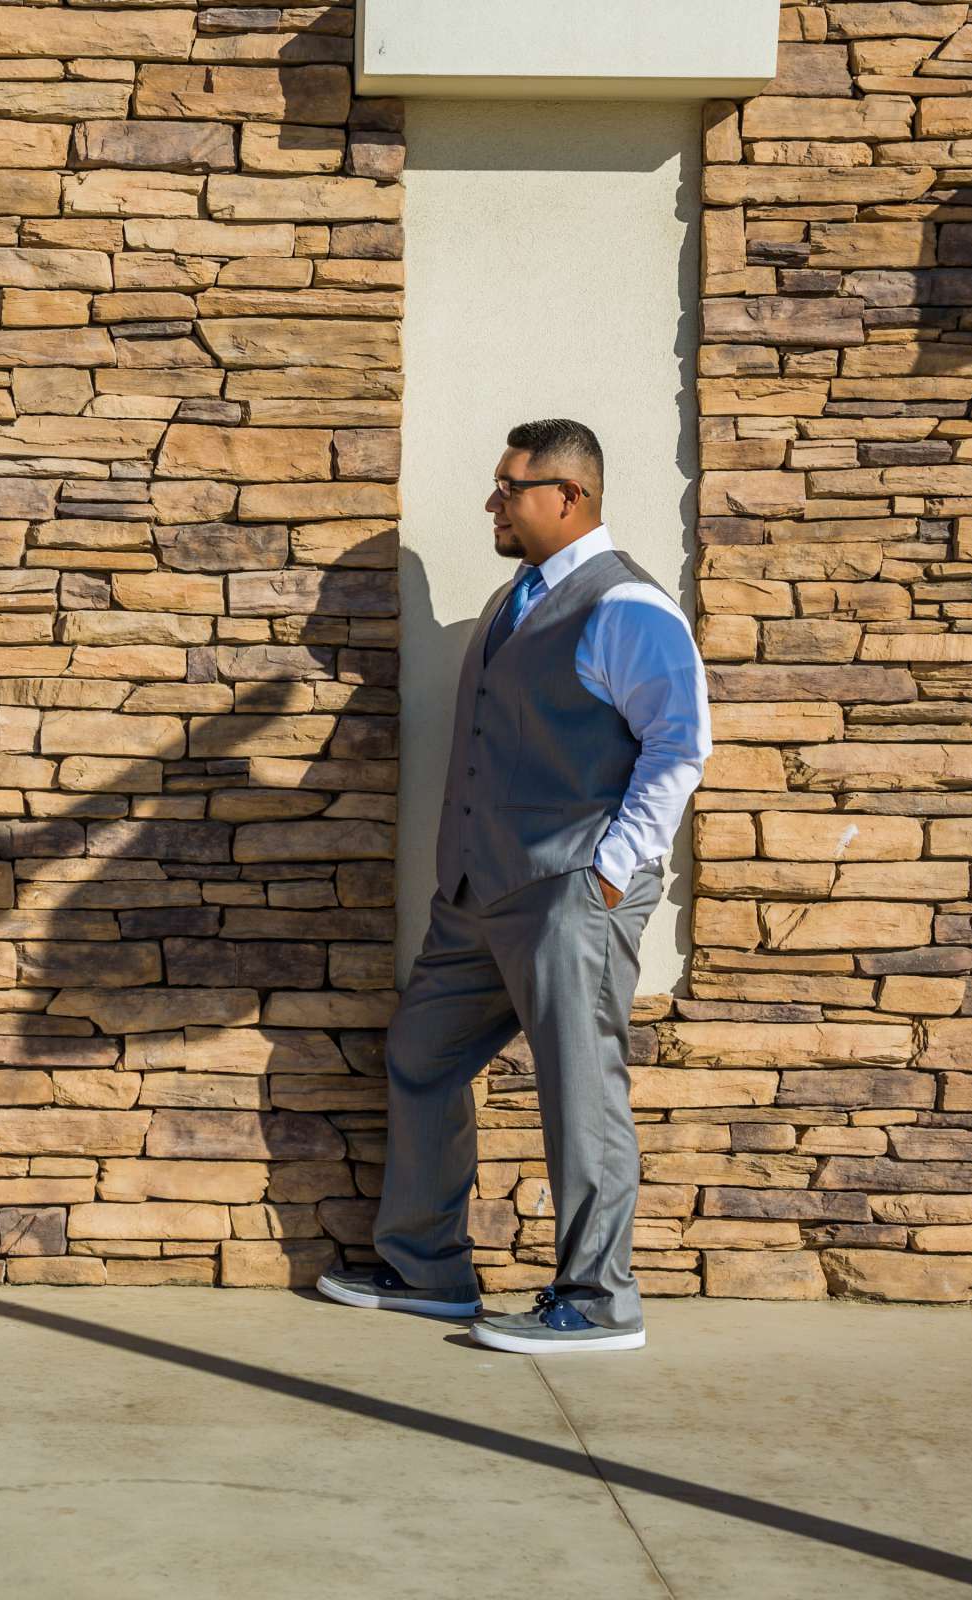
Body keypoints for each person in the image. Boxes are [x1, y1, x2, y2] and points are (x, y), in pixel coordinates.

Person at [316, 420, 710, 1353]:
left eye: (508, 488)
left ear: (566, 497)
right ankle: (428, 1269)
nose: (493, 502)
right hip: (478, 891)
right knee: (423, 1054)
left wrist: (611, 877)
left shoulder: (630, 608)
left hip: (571, 887)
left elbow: (679, 746)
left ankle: (598, 1299)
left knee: (580, 1090)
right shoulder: (513, 599)